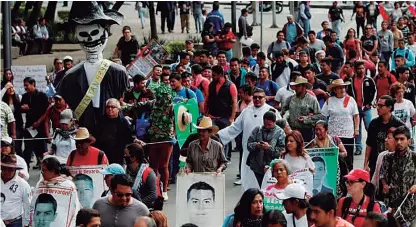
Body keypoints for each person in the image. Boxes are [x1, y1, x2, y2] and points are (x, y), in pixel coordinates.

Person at [57, 2, 130, 134]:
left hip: (111, 126)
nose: (90, 38)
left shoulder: (118, 72)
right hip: (85, 124)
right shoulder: (70, 76)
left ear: (106, 32)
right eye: (84, 34)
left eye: (95, 32)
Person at [218, 88, 280, 191]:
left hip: (267, 153)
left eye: (260, 97)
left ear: (265, 98)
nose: (257, 99)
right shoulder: (246, 111)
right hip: (249, 152)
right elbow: (235, 128)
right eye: (255, 97)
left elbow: (281, 129)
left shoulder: (272, 111)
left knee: (267, 182)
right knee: (248, 180)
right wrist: (219, 136)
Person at [380, 126, 416, 227]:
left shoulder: (414, 158)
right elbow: (382, 174)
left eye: (402, 139)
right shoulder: (388, 158)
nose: (399, 142)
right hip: (392, 208)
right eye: (396, 139)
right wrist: (384, 184)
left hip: (412, 209)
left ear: (409, 141)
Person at [322, 79, 359, 170]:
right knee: (334, 158)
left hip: (347, 134)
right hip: (333, 135)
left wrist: (356, 129)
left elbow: (356, 115)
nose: (342, 89)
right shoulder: (329, 100)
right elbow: (323, 116)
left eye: (343, 87)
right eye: (339, 88)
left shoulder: (350, 100)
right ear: (335, 90)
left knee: (348, 159)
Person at [365, 95, 405, 178]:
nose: (377, 108)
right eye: (377, 105)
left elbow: (404, 146)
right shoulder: (373, 124)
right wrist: (365, 164)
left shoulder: (399, 125)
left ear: (389, 107)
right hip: (375, 162)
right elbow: (369, 144)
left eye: (381, 106)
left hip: (393, 163)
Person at [345, 61, 377, 156]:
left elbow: (374, 91)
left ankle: (373, 146)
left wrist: (370, 104)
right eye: (359, 68)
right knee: (357, 128)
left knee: (369, 127)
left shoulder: (369, 80)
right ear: (355, 70)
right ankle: (358, 148)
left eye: (363, 68)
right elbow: (347, 94)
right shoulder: (350, 80)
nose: (361, 70)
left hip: (366, 108)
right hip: (355, 109)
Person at [37, 156, 80, 224]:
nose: (42, 173)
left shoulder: (69, 186)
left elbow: (75, 209)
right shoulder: (40, 184)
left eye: (44, 170)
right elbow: (33, 206)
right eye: (41, 170)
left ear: (53, 171)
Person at [247, 110, 286, 186]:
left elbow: (282, 150)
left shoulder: (280, 132)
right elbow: (248, 145)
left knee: (272, 187)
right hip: (257, 165)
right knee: (262, 187)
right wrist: (257, 145)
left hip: (272, 167)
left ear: (274, 122)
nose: (267, 126)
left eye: (269, 124)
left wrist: (269, 148)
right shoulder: (257, 130)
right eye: (265, 124)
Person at [282, 77, 324, 142]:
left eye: (298, 86)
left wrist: (306, 119)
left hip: (306, 131)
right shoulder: (290, 99)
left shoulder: (312, 99)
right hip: (292, 130)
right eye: (295, 86)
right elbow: (283, 113)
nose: (295, 88)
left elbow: (319, 116)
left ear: (304, 87)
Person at [94, 98, 134, 164]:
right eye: (108, 107)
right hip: (103, 152)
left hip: (118, 153)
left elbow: (129, 137)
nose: (110, 109)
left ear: (118, 109)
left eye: (112, 107)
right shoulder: (100, 120)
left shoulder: (123, 121)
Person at [21, 77, 49, 169]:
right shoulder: (25, 96)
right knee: (28, 147)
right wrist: (23, 108)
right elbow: (22, 109)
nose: (25, 87)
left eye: (27, 85)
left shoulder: (42, 95)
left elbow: (45, 111)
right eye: (24, 85)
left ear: (33, 84)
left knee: (41, 146)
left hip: (40, 125)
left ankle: (45, 164)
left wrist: (38, 121)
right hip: (30, 126)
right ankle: (26, 167)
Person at [124, 143, 161, 210]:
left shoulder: (148, 172)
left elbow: (153, 195)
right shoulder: (124, 170)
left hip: (145, 208)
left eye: (126, 155)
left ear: (133, 158)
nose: (124, 157)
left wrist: (138, 204)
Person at [0, 154, 31, 227]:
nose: (6, 172)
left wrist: (26, 223)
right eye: (4, 168)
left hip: (14, 223)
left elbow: (28, 205)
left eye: (10, 169)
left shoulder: (23, 184)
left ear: (15, 169)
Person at [370, 127, 396, 199]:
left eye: (389, 138)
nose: (385, 140)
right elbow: (376, 174)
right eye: (386, 137)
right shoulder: (381, 155)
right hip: (381, 194)